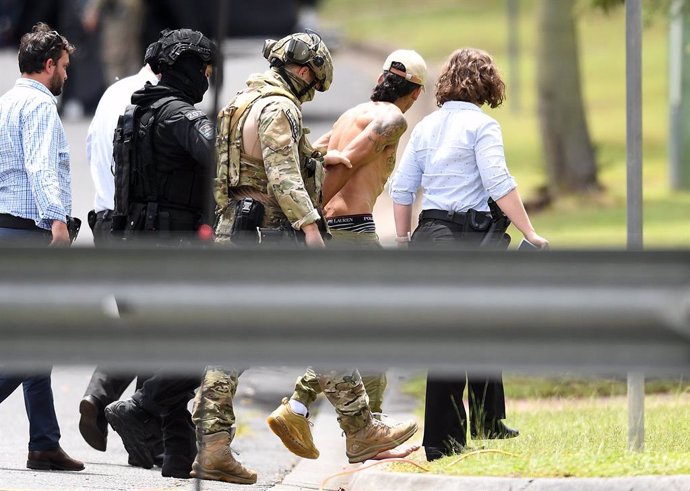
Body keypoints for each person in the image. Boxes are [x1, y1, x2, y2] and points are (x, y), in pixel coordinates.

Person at [195, 32, 417, 484]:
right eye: (313, 82)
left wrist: (318, 155)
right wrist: (312, 230)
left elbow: (247, 167)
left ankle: (213, 446)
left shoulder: (241, 103)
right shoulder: (280, 108)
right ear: (301, 71)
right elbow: (282, 178)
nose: (311, 91)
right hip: (271, 236)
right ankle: (360, 431)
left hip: (235, 231)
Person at [389, 47, 549, 461]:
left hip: (430, 236)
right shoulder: (482, 126)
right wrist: (530, 232)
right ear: (486, 84)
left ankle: (476, 425)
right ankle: (449, 438)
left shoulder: (425, 127)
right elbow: (498, 181)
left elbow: (403, 189)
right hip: (469, 239)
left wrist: (406, 240)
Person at [269, 49, 427, 456]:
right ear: (415, 92)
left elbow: (313, 156)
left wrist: (313, 219)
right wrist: (311, 213)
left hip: (332, 230)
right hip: (353, 231)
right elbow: (342, 168)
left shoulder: (348, 116)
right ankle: (366, 430)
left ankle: (300, 408)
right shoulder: (392, 119)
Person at [102, 27, 218, 479]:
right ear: (186, 68)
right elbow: (221, 155)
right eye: (204, 69)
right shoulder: (179, 116)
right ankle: (140, 407)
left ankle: (175, 459)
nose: (207, 77)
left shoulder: (132, 115)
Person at [0, 22, 84, 472]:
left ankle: (43, 442)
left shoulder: (6, 103)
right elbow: (40, 168)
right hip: (32, 234)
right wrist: (57, 223)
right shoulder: (39, 107)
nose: (67, 76)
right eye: (65, 68)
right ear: (49, 65)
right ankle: (44, 442)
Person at [78, 63, 162, 465]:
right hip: (137, 225)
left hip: (105, 220)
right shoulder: (156, 100)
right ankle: (138, 432)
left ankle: (104, 400)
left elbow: (92, 147)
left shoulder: (114, 93)